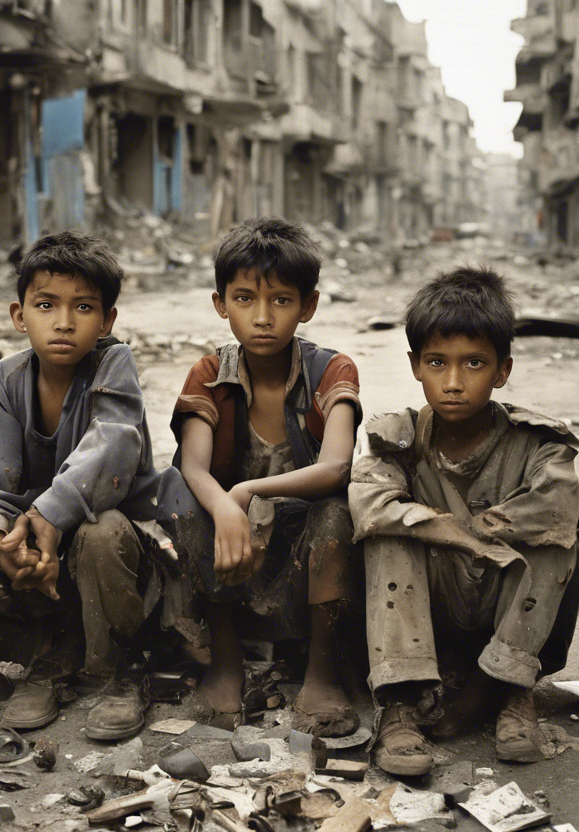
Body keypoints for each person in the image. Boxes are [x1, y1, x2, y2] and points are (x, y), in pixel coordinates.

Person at [348, 267, 579, 776]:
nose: (453, 382)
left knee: (557, 535)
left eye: (474, 363)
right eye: (437, 362)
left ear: (503, 370)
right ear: (415, 365)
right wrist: (456, 535)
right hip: (428, 610)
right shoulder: (396, 437)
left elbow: (556, 508)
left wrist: (482, 537)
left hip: (509, 607)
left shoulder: (539, 443)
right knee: (388, 532)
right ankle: (400, 704)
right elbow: (370, 504)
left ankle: (512, 693)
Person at [0, 230, 162, 742]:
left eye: (84, 307)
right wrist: (6, 541)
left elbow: (115, 445)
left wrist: (48, 519)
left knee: (102, 530)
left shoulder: (113, 365)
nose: (64, 322)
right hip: (39, 552)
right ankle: (49, 656)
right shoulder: (1, 381)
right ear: (20, 316)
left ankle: (119, 668)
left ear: (106, 321)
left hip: (117, 556)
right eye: (46, 305)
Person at [158, 217, 363, 737]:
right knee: (181, 494)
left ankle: (321, 670)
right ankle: (226, 661)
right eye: (245, 299)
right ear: (221, 304)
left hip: (308, 569)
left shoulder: (331, 370)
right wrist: (226, 506)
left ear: (308, 306)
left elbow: (337, 467)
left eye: (281, 301)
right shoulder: (209, 373)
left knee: (339, 509)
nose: (263, 317)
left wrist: (247, 491)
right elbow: (192, 466)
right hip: (230, 560)